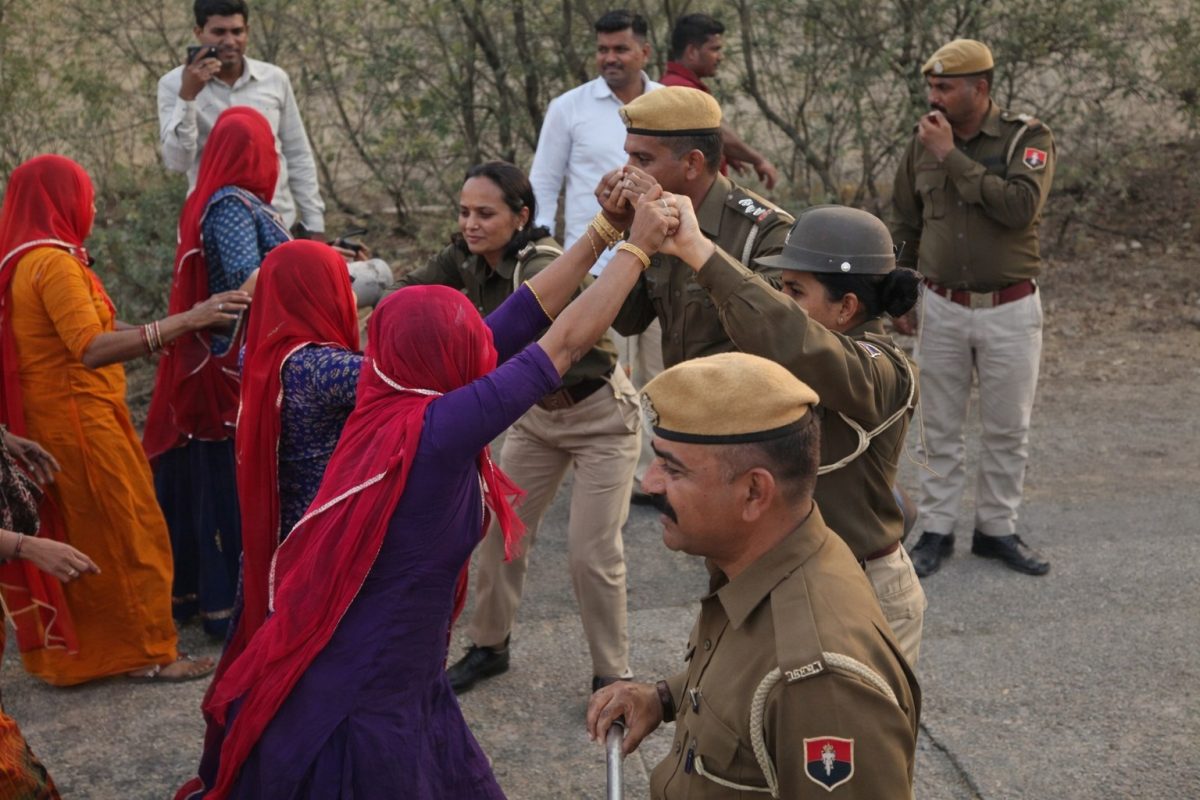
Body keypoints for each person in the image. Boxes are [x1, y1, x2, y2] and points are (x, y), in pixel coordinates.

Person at [176, 184, 680, 799]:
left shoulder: (391, 397)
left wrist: (605, 230)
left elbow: (515, 324)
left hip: (391, 661)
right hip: (374, 680)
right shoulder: (433, 428)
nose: (479, 342)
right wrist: (638, 249)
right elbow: (563, 344)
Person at [587, 352, 920, 798]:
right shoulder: (768, 557)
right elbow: (743, 683)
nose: (649, 483)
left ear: (754, 492)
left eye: (672, 468)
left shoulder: (822, 685)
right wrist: (664, 697)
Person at [394, 162, 640, 694]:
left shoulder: (543, 264)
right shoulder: (464, 258)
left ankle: (613, 674)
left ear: (521, 215)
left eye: (485, 213)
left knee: (591, 553)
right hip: (536, 418)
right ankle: (489, 645)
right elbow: (407, 294)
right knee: (500, 534)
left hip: (599, 415)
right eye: (463, 212)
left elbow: (514, 341)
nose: (470, 224)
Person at [0, 154, 244, 684]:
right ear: (61, 199)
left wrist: (170, 333)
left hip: (60, 423)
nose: (88, 205)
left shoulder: (28, 262)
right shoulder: (53, 265)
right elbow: (89, 347)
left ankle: (93, 653)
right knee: (130, 530)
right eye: (83, 194)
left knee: (91, 535)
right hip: (81, 428)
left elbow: (89, 328)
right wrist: (188, 318)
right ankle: (151, 653)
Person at [664, 202, 928, 665]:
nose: (779, 297)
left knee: (840, 731)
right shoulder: (797, 354)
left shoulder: (883, 370)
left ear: (846, 307)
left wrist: (698, 248)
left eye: (794, 289)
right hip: (782, 581)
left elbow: (796, 339)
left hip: (861, 591)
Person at [890, 39, 1055, 577]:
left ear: (979, 89)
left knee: (1008, 427)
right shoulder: (922, 142)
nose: (933, 97)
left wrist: (950, 156)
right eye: (931, 86)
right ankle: (936, 530)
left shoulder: (1025, 138)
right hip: (943, 305)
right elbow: (907, 222)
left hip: (1009, 307)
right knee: (939, 425)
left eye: (945, 87)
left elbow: (1018, 207)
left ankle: (997, 530)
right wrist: (903, 291)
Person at [143, 106, 290, 638]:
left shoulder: (241, 201)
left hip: (237, 363)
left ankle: (230, 599)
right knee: (228, 482)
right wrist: (310, 273)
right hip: (230, 368)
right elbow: (242, 286)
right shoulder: (229, 204)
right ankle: (227, 606)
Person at [227, 239, 362, 665]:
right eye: (344, 282)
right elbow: (401, 375)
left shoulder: (258, 351)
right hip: (324, 531)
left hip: (276, 523)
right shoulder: (322, 368)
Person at [528, 8, 664, 389]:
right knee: (606, 381)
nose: (609, 58)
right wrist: (545, 255)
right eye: (602, 49)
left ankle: (662, 451)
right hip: (594, 271)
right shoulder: (569, 108)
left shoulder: (671, 104)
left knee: (664, 383)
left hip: (664, 266)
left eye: (620, 48)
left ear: (645, 52)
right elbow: (543, 184)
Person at [157, 0, 326, 234]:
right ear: (199, 32)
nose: (229, 41)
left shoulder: (274, 79)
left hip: (277, 222)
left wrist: (314, 223)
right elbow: (177, 162)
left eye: (237, 31)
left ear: (247, 31)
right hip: (214, 229)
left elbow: (297, 153)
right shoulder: (174, 84)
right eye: (218, 32)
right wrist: (188, 96)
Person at [661, 13, 779, 188]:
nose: (720, 56)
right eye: (714, 49)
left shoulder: (679, 85)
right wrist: (758, 160)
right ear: (692, 51)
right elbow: (717, 132)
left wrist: (723, 154)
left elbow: (699, 137)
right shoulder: (680, 89)